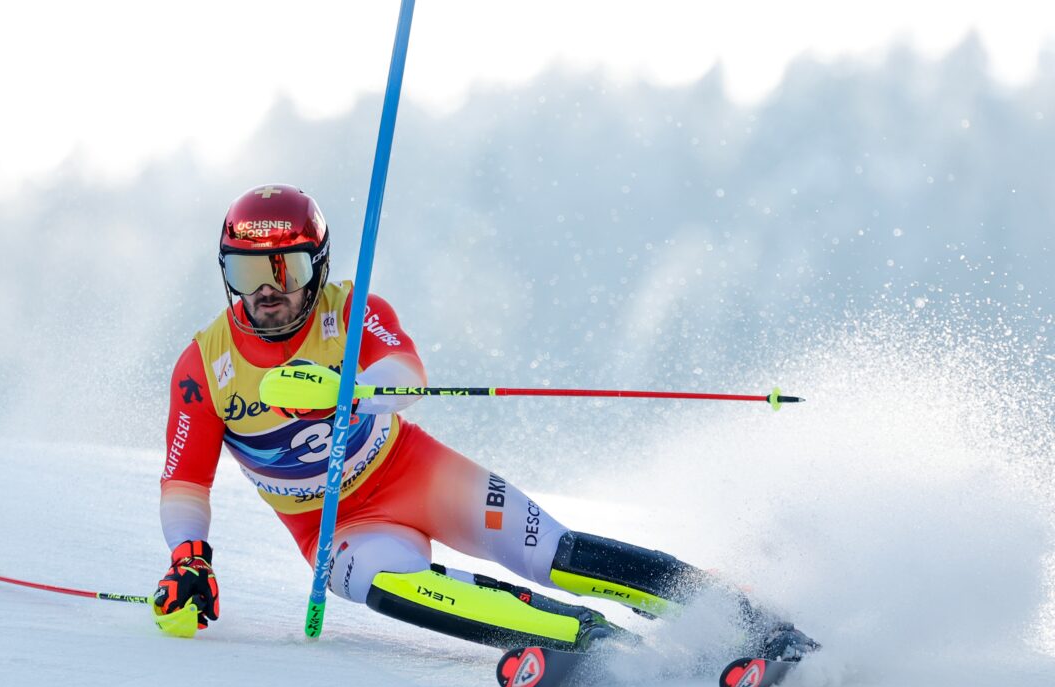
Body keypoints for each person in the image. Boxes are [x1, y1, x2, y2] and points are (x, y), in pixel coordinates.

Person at [153, 183, 816, 661]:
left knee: (551, 551)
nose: (266, 291)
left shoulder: (350, 311)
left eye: (285, 268)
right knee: (389, 587)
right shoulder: (204, 364)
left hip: (412, 472)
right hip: (334, 525)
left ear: (317, 266)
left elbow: (404, 374)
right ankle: (588, 638)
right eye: (245, 272)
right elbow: (185, 482)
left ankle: (740, 616)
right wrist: (190, 560)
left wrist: (352, 389)